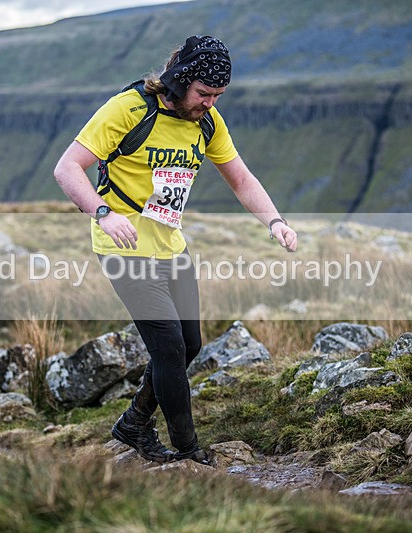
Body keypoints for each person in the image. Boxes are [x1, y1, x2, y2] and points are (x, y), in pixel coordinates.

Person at [54, 35, 297, 464]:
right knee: (168, 348)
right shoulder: (128, 109)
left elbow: (241, 179)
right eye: (204, 94)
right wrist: (103, 212)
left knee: (191, 344)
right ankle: (188, 451)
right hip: (124, 248)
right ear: (179, 80)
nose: (210, 103)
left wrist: (274, 221)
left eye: (218, 96)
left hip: (171, 245)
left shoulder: (207, 122)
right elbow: (68, 167)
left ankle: (133, 422)